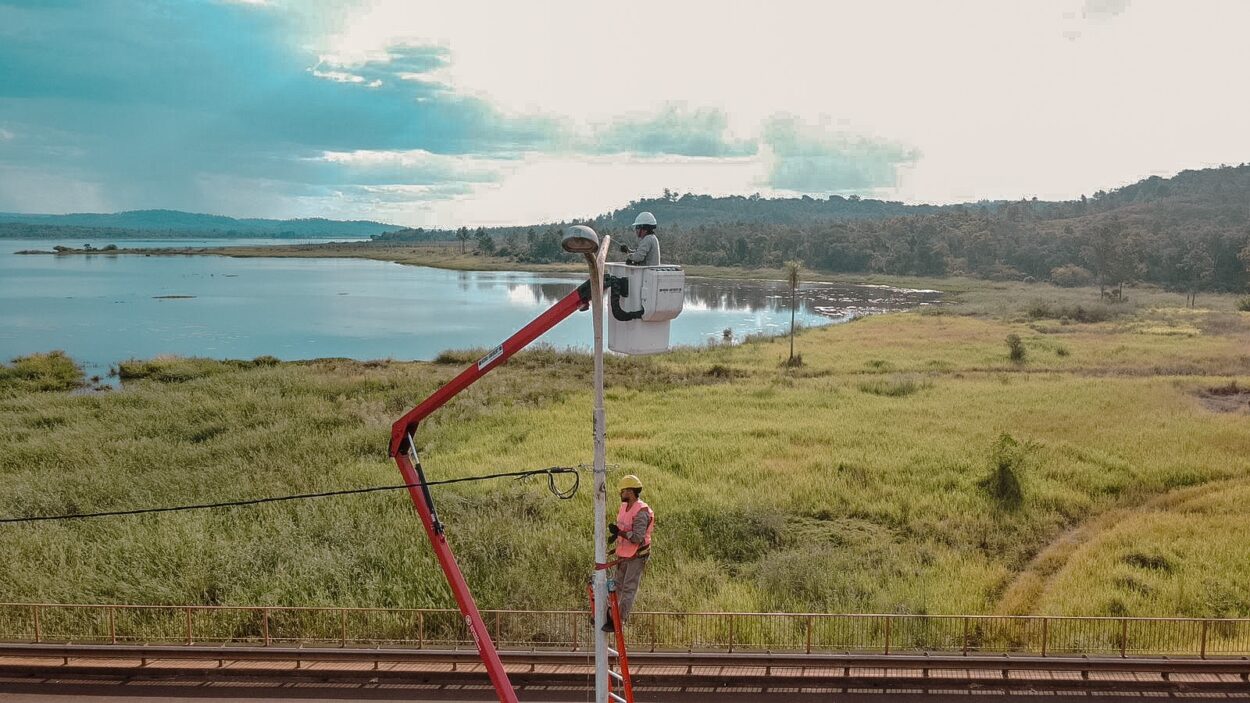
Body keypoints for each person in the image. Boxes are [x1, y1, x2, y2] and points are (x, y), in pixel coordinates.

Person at [604, 474, 654, 631]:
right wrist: (617, 542)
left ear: (631, 492)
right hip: (624, 554)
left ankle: (619, 619)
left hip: (637, 555)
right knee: (616, 587)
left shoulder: (642, 511)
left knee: (628, 588)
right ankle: (610, 615)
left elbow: (638, 537)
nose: (621, 493)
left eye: (623, 491)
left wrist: (621, 533)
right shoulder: (624, 507)